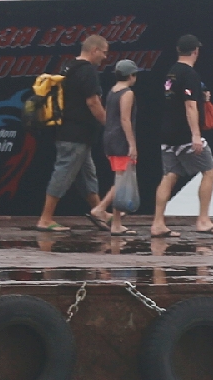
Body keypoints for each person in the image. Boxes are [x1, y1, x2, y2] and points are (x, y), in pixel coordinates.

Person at [38, 33, 111, 232]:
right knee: (62, 174)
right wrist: (109, 123)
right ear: (94, 50)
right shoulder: (87, 71)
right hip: (75, 135)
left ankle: (99, 212)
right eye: (104, 53)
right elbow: (93, 102)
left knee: (88, 176)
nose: (105, 57)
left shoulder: (68, 67)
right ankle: (45, 219)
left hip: (70, 133)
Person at [153, 34, 213, 238]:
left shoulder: (171, 72)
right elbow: (189, 106)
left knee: (169, 175)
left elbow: (174, 98)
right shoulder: (190, 74)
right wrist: (196, 135)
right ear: (196, 51)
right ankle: (203, 220)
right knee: (209, 171)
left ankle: (157, 223)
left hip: (167, 132)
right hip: (184, 133)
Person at [100, 58, 139, 236]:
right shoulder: (127, 93)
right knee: (121, 181)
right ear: (131, 76)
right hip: (120, 141)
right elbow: (125, 119)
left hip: (110, 138)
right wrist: (132, 144)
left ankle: (116, 223)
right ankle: (100, 208)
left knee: (120, 178)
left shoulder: (112, 91)